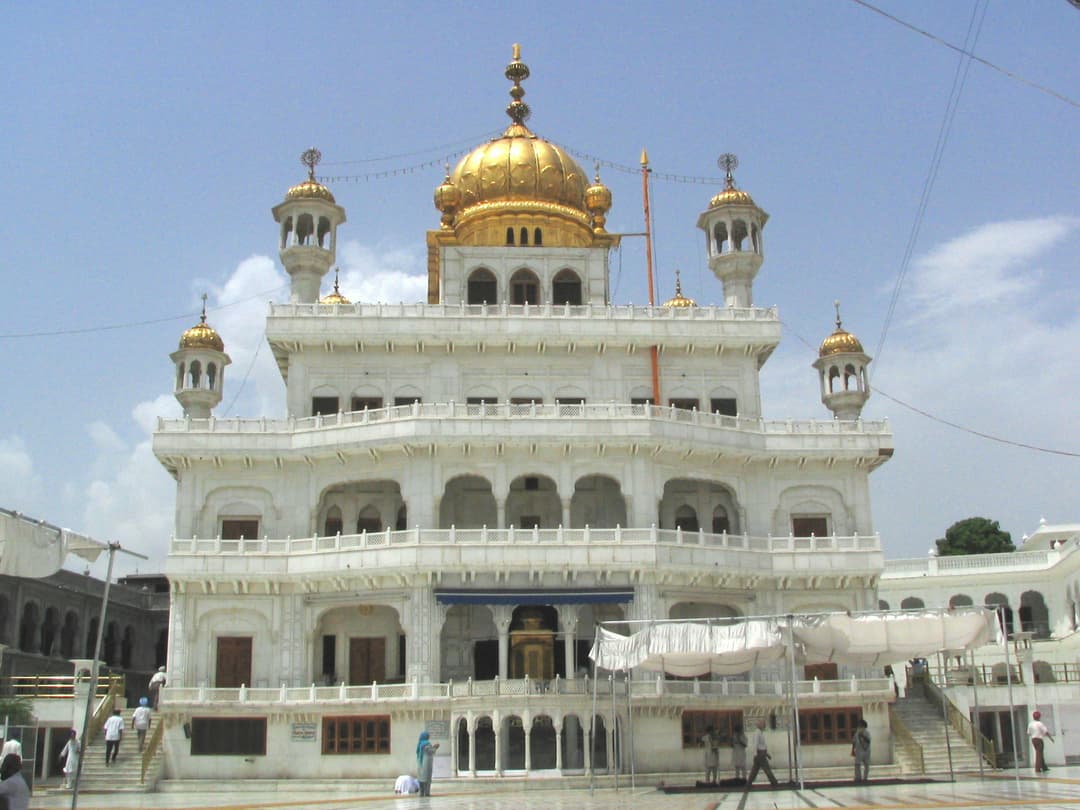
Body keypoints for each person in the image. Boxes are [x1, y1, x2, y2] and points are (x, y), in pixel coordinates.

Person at [745, 718, 778, 788]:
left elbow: (762, 745)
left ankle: (748, 783)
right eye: (763, 724)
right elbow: (756, 744)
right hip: (760, 754)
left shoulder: (760, 732)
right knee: (767, 768)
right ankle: (774, 782)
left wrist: (767, 753)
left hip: (761, 753)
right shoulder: (757, 733)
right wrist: (755, 754)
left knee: (755, 769)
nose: (764, 725)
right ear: (759, 725)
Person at [416, 730, 439, 797]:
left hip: (420, 764)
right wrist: (435, 747)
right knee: (427, 779)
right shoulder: (427, 744)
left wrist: (433, 747)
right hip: (426, 764)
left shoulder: (420, 744)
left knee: (421, 779)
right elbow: (431, 751)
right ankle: (427, 793)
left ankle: (421, 793)